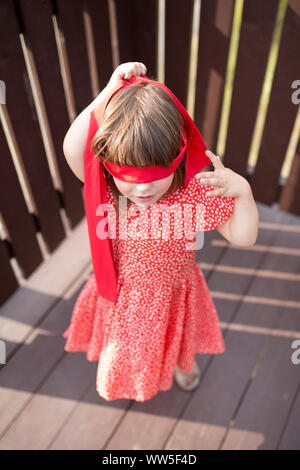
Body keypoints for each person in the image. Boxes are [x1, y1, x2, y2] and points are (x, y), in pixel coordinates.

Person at [62, 62, 259, 401]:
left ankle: (180, 364)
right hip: (125, 293)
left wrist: (243, 193)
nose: (142, 190)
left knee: (175, 338)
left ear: (176, 156)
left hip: (173, 292)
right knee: (124, 347)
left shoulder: (193, 192)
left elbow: (243, 236)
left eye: (156, 177)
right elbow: (71, 148)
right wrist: (107, 94)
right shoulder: (108, 189)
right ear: (110, 165)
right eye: (131, 178)